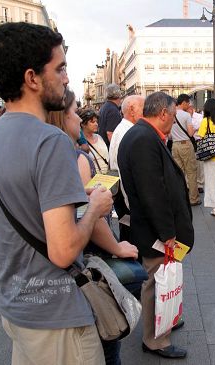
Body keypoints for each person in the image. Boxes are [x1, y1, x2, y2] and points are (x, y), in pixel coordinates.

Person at [0, 22, 112, 364]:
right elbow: (64, 251)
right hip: (58, 316)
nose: (66, 78)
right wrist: (94, 207)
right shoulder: (50, 141)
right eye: (60, 68)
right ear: (32, 78)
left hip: (16, 309)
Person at [47, 89, 139, 365]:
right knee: (107, 343)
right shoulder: (73, 157)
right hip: (82, 258)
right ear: (63, 119)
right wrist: (116, 246)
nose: (79, 117)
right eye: (75, 112)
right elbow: (85, 215)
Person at [118, 92, 194, 359]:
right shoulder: (143, 139)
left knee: (160, 281)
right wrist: (168, 233)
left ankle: (165, 319)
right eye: (173, 116)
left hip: (152, 227)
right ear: (163, 113)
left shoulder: (143, 134)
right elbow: (153, 192)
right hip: (154, 231)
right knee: (156, 282)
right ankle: (155, 340)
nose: (174, 122)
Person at [108, 95, 145, 242]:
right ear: (132, 110)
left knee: (128, 235)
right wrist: (131, 206)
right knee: (132, 239)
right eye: (144, 108)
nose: (146, 112)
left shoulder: (125, 129)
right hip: (127, 199)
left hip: (124, 199)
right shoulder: (127, 132)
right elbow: (124, 171)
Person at [171, 94, 200, 206]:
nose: (189, 105)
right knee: (191, 172)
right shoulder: (186, 115)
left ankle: (180, 198)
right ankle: (194, 199)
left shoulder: (171, 114)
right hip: (186, 145)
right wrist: (196, 128)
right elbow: (190, 133)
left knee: (179, 173)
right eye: (188, 103)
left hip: (175, 145)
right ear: (183, 102)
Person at [80, 107, 109, 174]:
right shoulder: (81, 143)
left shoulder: (99, 137)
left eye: (96, 122)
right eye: (92, 122)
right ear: (83, 124)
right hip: (92, 179)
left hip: (106, 178)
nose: (96, 124)